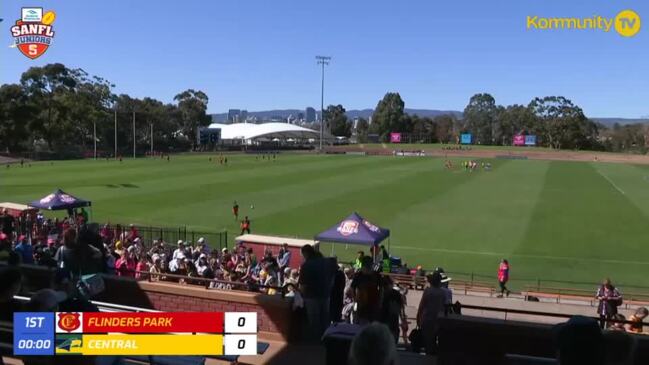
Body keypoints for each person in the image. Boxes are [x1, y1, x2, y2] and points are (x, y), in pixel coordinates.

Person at [298, 244, 336, 342]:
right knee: (325, 318)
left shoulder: (306, 266)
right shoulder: (326, 262)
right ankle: (326, 340)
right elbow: (333, 277)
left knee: (314, 320)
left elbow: (303, 286)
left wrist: (301, 296)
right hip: (325, 295)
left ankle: (315, 342)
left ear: (305, 253)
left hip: (311, 297)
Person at [416, 271, 446, 355]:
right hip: (438, 320)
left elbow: (421, 305)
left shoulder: (428, 291)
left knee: (428, 343)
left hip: (427, 320)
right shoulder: (442, 293)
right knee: (433, 342)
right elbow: (443, 307)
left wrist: (418, 317)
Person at [351, 256, 383, 324]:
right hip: (363, 304)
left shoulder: (376, 275)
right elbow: (352, 288)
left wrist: (380, 300)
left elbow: (381, 288)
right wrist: (355, 300)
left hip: (372, 304)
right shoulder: (359, 275)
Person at [379, 276, 407, 343]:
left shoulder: (380, 293)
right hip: (392, 321)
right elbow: (401, 308)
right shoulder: (395, 293)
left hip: (385, 321)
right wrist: (403, 320)